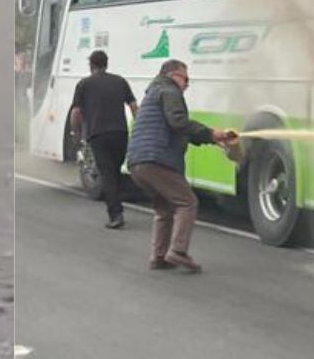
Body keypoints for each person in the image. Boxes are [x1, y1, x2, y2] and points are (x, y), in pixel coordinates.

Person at [125, 59, 237, 273]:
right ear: (173, 75)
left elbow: (175, 128)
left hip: (137, 162)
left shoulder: (153, 93)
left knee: (164, 207)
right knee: (187, 202)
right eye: (186, 79)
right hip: (157, 159)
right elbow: (179, 122)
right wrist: (211, 133)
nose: (187, 84)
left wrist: (212, 139)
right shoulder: (170, 91)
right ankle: (178, 251)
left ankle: (158, 257)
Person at [66, 50, 137, 229]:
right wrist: (139, 129)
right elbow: (134, 106)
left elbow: (76, 112)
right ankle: (117, 206)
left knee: (107, 174)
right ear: (106, 63)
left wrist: (75, 133)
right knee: (115, 171)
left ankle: (116, 214)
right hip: (120, 133)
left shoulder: (84, 84)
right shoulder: (120, 81)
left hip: (98, 135)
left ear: (91, 65)